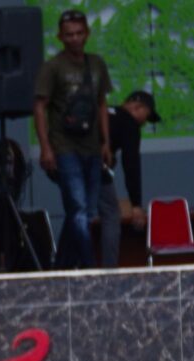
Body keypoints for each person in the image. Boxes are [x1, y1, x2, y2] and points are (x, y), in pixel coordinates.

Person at [33, 8, 113, 269]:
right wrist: (45, 147)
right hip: (64, 147)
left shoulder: (97, 63)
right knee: (78, 209)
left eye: (79, 33)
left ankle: (61, 268)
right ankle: (90, 268)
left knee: (85, 212)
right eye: (69, 34)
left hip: (92, 146)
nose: (75, 38)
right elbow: (39, 107)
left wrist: (106, 142)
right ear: (60, 37)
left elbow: (102, 104)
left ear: (87, 34)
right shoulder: (52, 67)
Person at [107, 89, 159, 261]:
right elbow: (131, 164)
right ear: (137, 107)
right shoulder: (129, 123)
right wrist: (136, 204)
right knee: (110, 214)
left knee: (77, 214)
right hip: (94, 169)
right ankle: (108, 268)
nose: (144, 123)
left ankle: (64, 263)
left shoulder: (106, 112)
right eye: (146, 116)